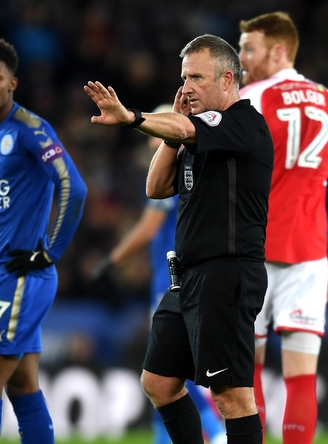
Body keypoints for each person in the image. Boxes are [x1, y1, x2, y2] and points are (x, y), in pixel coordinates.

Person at [85, 34, 274, 444]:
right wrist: (171, 135)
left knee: (232, 397)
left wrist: (132, 117)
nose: (186, 87)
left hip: (227, 274)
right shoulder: (193, 137)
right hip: (186, 278)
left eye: (196, 78)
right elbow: (156, 187)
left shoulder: (244, 123)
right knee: (158, 382)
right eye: (183, 77)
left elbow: (190, 126)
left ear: (227, 79)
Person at [237, 12, 328, 444]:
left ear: (278, 50)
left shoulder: (250, 97)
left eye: (248, 49)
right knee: (301, 379)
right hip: (310, 255)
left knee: (245, 374)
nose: (241, 59)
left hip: (252, 251)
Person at [0, 36, 87, 444]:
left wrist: (49, 252)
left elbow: (74, 186)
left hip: (21, 276)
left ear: (12, 83)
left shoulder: (32, 129)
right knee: (21, 385)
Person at [91, 104, 227, 444]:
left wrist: (113, 259)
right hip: (176, 277)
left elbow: (149, 228)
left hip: (174, 282)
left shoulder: (176, 166)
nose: (151, 140)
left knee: (169, 367)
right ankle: (173, 436)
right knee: (166, 368)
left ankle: (215, 430)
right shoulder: (188, 165)